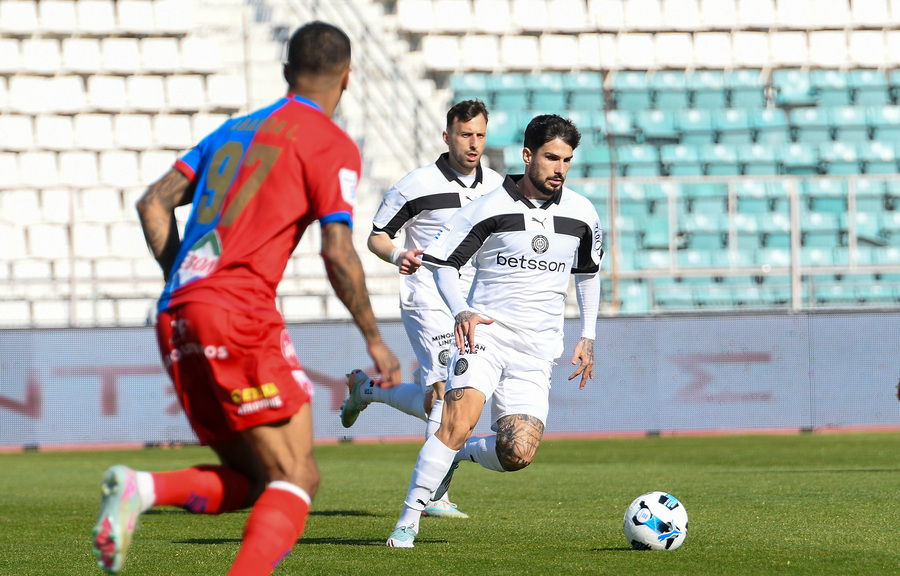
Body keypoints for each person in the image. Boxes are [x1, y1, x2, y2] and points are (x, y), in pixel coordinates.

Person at [91, 22, 402, 575]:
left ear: (286, 73)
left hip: (177, 315)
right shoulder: (331, 144)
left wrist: (186, 283)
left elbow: (152, 205)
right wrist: (375, 339)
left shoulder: (230, 133)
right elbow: (337, 250)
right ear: (348, 78)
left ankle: (143, 487)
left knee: (259, 480)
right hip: (238, 311)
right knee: (298, 477)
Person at [384, 114, 604, 547]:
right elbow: (441, 261)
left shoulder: (583, 214)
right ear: (527, 156)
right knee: (457, 418)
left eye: (567, 160)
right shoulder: (488, 208)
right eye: (551, 158)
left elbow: (589, 275)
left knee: (517, 453)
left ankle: (458, 452)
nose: (559, 168)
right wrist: (461, 310)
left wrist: (589, 333)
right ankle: (407, 522)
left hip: (537, 348)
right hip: (484, 336)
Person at [340, 99, 504, 519]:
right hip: (427, 296)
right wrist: (398, 256)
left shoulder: (498, 187)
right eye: (464, 134)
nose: (473, 143)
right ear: (446, 135)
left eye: (479, 135)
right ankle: (431, 495)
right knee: (450, 389)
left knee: (439, 401)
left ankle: (368, 391)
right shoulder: (416, 185)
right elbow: (377, 236)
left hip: (473, 302)